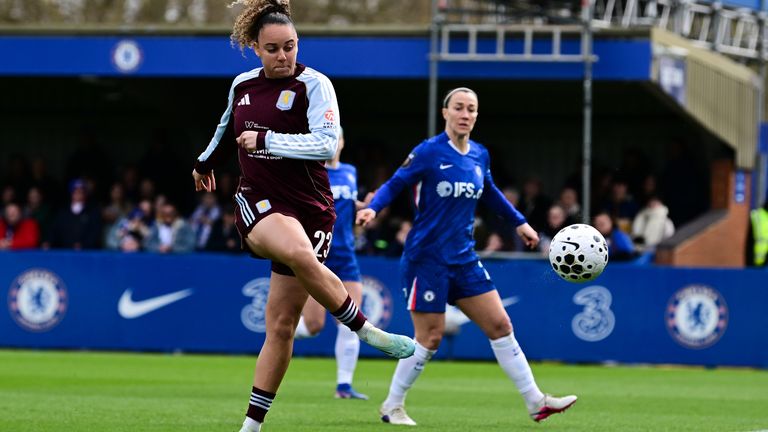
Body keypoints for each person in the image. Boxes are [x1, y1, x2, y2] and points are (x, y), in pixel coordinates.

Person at [190, 2, 414, 431]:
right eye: (272, 48)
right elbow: (226, 129)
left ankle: (250, 427)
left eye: (289, 46)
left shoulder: (316, 86)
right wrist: (204, 163)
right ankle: (365, 329)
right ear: (255, 47)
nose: (282, 56)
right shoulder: (243, 85)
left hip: (311, 207)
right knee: (294, 248)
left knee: (281, 326)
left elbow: (326, 145)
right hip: (258, 199)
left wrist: (268, 139)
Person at [356, 87, 577, 426]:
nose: (465, 114)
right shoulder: (428, 152)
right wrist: (372, 208)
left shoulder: (479, 155)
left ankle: (536, 401)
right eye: (458, 107)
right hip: (426, 260)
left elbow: (490, 193)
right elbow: (396, 183)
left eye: (471, 109)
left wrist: (521, 224)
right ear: (445, 112)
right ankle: (392, 404)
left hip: (464, 258)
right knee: (430, 337)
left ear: (476, 116)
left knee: (501, 325)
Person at [293, 130, 370, 399]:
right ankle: (279, 335)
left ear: (343, 143)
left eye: (338, 138)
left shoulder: (350, 171)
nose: (334, 143)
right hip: (318, 255)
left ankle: (344, 387)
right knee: (313, 325)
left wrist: (366, 206)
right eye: (330, 138)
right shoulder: (310, 170)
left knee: (353, 321)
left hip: (346, 256)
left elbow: (349, 206)